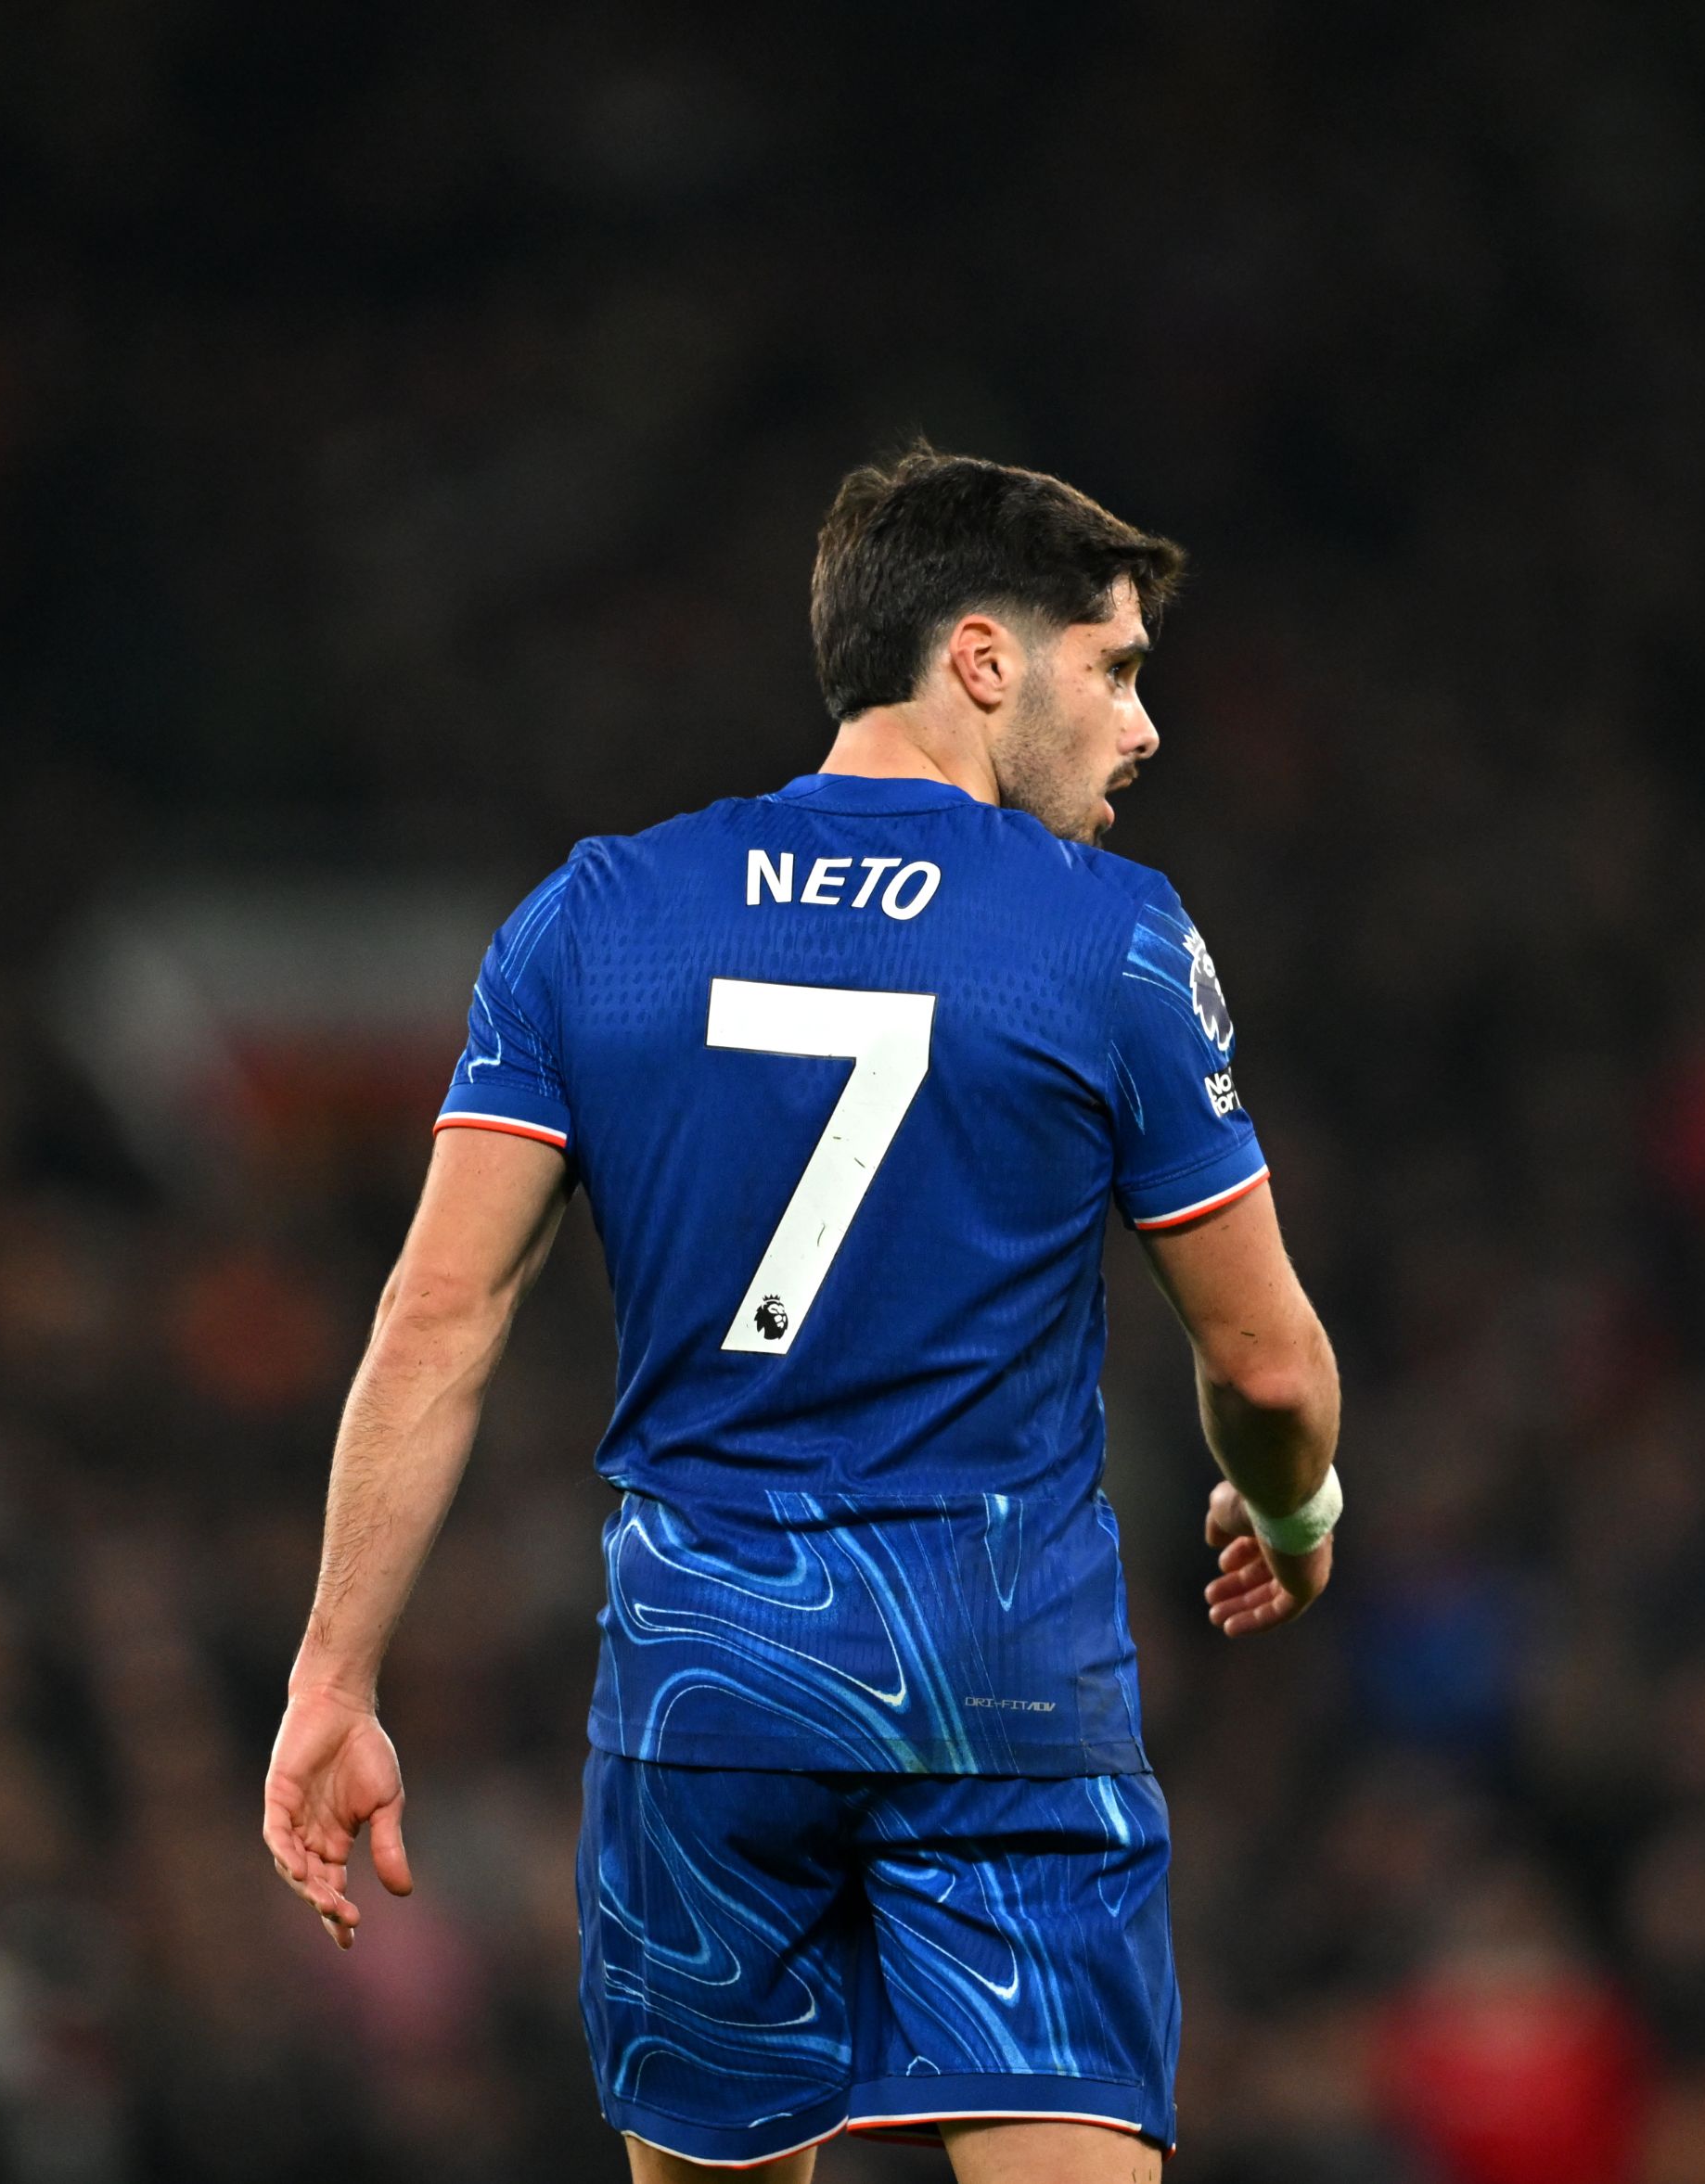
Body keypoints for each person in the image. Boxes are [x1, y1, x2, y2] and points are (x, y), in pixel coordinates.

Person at [260, 444, 1346, 2183]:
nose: (1145, 728)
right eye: (1118, 667)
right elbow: (1268, 1362)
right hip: (997, 1689)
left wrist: (333, 1674)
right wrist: (1293, 1510)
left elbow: (436, 1320)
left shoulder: (593, 921)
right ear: (983, 659)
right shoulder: (1109, 939)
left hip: (706, 1688)